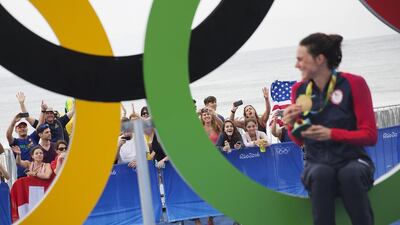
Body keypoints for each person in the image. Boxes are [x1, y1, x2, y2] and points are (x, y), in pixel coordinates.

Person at [283, 33, 377, 225]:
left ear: (319, 59)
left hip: (353, 160)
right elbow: (301, 140)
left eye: (301, 59)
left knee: (349, 174)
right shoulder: (299, 90)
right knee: (321, 174)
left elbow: (370, 135)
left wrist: (331, 134)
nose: (297, 65)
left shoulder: (354, 83)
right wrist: (291, 124)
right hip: (317, 163)